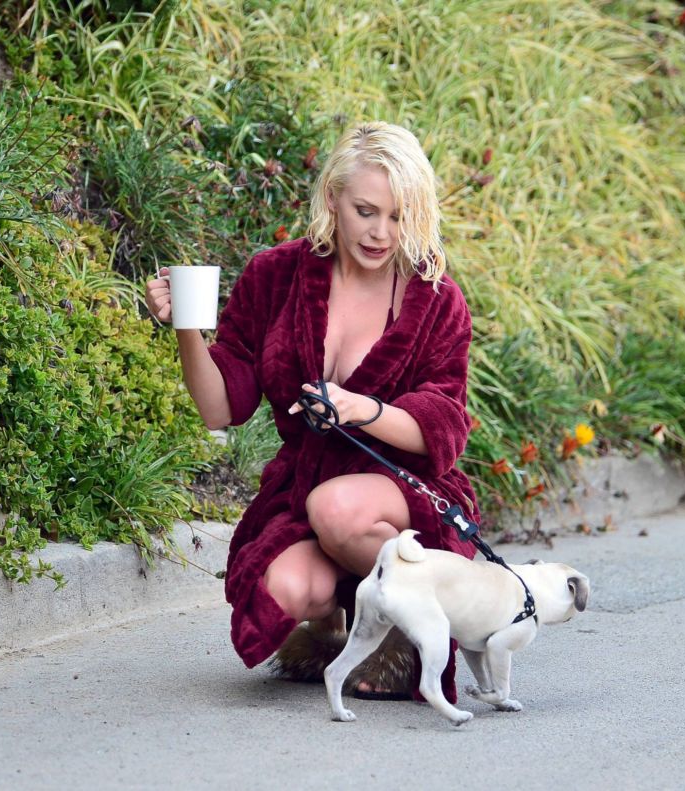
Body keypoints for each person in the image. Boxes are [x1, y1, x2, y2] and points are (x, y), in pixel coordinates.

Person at [145, 121, 478, 702]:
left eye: (399, 217)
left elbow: (443, 426)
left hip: (405, 490)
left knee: (339, 509)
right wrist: (187, 331)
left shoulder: (434, 296)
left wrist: (360, 409)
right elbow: (221, 408)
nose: (381, 233)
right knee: (283, 588)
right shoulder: (277, 276)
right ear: (333, 200)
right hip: (308, 486)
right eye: (366, 211)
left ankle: (413, 619)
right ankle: (341, 630)